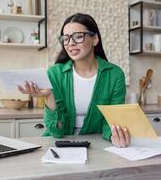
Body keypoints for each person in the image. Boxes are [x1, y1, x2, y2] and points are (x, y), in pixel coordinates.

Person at [18, 13, 130, 148]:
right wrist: (49, 96)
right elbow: (56, 131)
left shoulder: (115, 75)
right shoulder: (54, 74)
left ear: (95, 39)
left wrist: (115, 135)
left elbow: (111, 121)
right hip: (58, 144)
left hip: (97, 144)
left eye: (78, 36)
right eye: (65, 39)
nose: (70, 43)